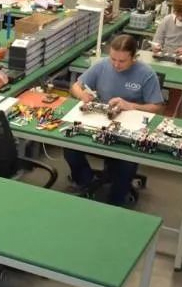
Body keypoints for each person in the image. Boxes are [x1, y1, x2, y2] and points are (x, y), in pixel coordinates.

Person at [66, 34, 164, 206]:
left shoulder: (146, 74)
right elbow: (75, 86)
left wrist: (131, 105)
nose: (116, 65)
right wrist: (82, 95)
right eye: (113, 59)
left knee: (127, 160)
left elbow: (157, 107)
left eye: (122, 61)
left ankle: (116, 200)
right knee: (70, 145)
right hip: (100, 123)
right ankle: (86, 182)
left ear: (134, 57)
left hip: (129, 129)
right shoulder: (102, 65)